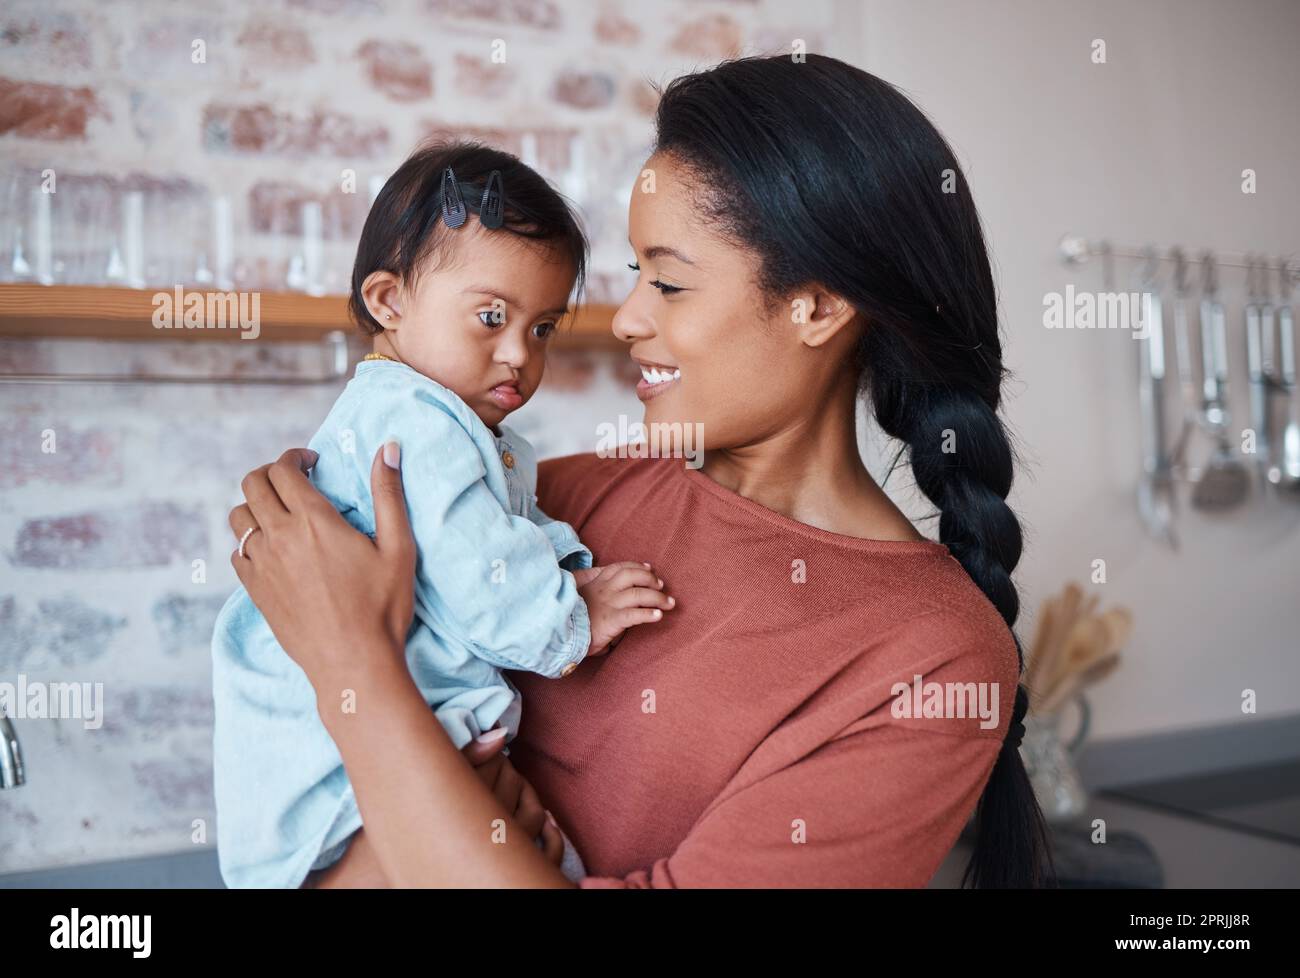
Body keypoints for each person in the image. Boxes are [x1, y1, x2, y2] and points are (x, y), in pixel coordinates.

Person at [226, 53, 1055, 888]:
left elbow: (361, 711)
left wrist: (352, 664)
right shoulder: (557, 498)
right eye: (634, 277)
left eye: (668, 282)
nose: (625, 320)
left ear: (819, 306)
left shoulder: (934, 660)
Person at [210, 141, 672, 888]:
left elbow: (500, 530)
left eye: (543, 328)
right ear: (390, 301)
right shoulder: (416, 418)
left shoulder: (451, 422)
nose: (520, 354)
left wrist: (562, 569)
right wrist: (571, 618)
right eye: (491, 317)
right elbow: (475, 569)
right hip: (333, 750)